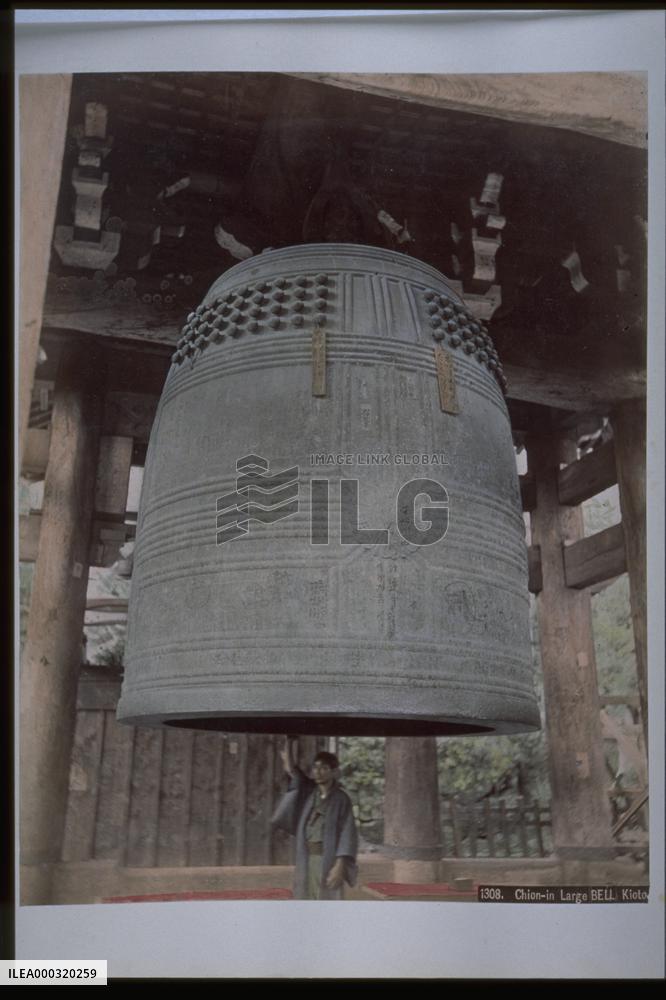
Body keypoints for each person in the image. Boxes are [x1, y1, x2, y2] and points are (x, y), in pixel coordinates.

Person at [272, 738, 358, 900]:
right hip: (307, 857)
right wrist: (290, 741)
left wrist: (340, 866)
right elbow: (292, 769)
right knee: (305, 896)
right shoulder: (309, 792)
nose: (318, 772)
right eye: (315, 767)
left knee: (327, 899)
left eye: (324, 768)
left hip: (328, 858)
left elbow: (348, 835)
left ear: (334, 772)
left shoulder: (342, 799)